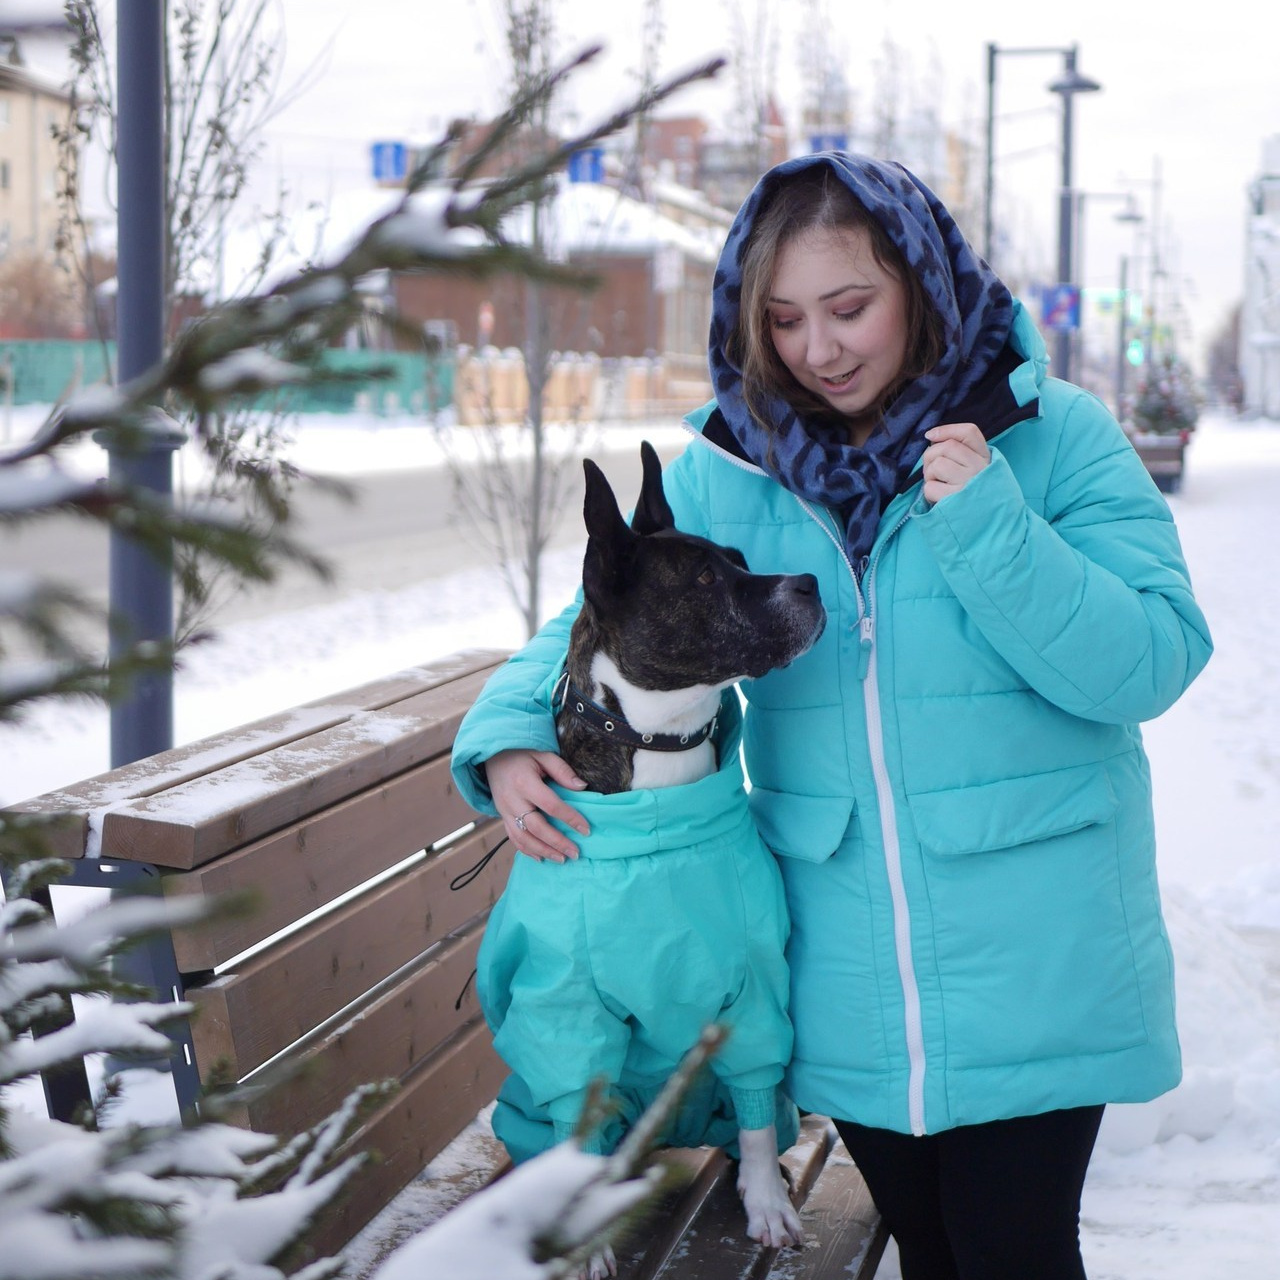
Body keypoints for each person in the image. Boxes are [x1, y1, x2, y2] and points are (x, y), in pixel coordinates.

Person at [449, 152, 1213, 1280]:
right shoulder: (734, 467)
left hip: (1035, 946)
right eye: (786, 317)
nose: (819, 347)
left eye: (849, 306)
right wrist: (510, 731)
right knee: (932, 1253)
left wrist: (992, 528)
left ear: (919, 281)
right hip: (843, 961)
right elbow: (594, 615)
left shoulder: (1052, 436)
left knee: (1013, 1250)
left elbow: (1151, 659)